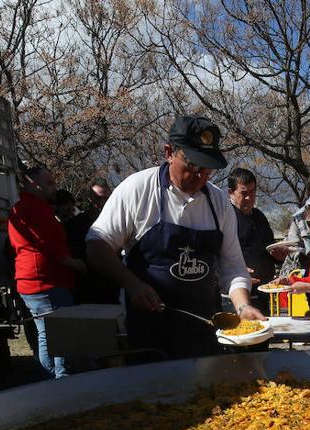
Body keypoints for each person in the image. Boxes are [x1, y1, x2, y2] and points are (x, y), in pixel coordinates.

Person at [85, 115, 264, 359]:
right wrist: (132, 284)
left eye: (207, 168)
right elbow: (96, 244)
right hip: (149, 331)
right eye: (192, 166)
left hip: (204, 329)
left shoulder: (219, 202)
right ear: (169, 152)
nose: (200, 176)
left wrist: (242, 306)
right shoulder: (137, 189)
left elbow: (233, 266)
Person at [8, 166, 85, 378]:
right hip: (46, 281)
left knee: (46, 333)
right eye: (50, 183)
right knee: (61, 332)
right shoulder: (36, 209)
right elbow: (49, 244)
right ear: (34, 184)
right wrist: (74, 263)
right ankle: (61, 380)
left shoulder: (22, 207)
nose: (54, 187)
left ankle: (51, 378)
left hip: (30, 281)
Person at [66, 177, 120, 305]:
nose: (101, 202)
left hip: (112, 283)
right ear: (90, 198)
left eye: (105, 198)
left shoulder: (118, 222)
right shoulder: (76, 224)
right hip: (87, 284)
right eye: (97, 198)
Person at [227, 167, 284, 286]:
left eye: (252, 191)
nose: (249, 197)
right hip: (237, 288)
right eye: (244, 193)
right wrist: (237, 272)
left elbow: (270, 247)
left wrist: (279, 256)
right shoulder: (225, 217)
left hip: (266, 287)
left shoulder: (259, 216)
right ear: (231, 193)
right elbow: (217, 254)